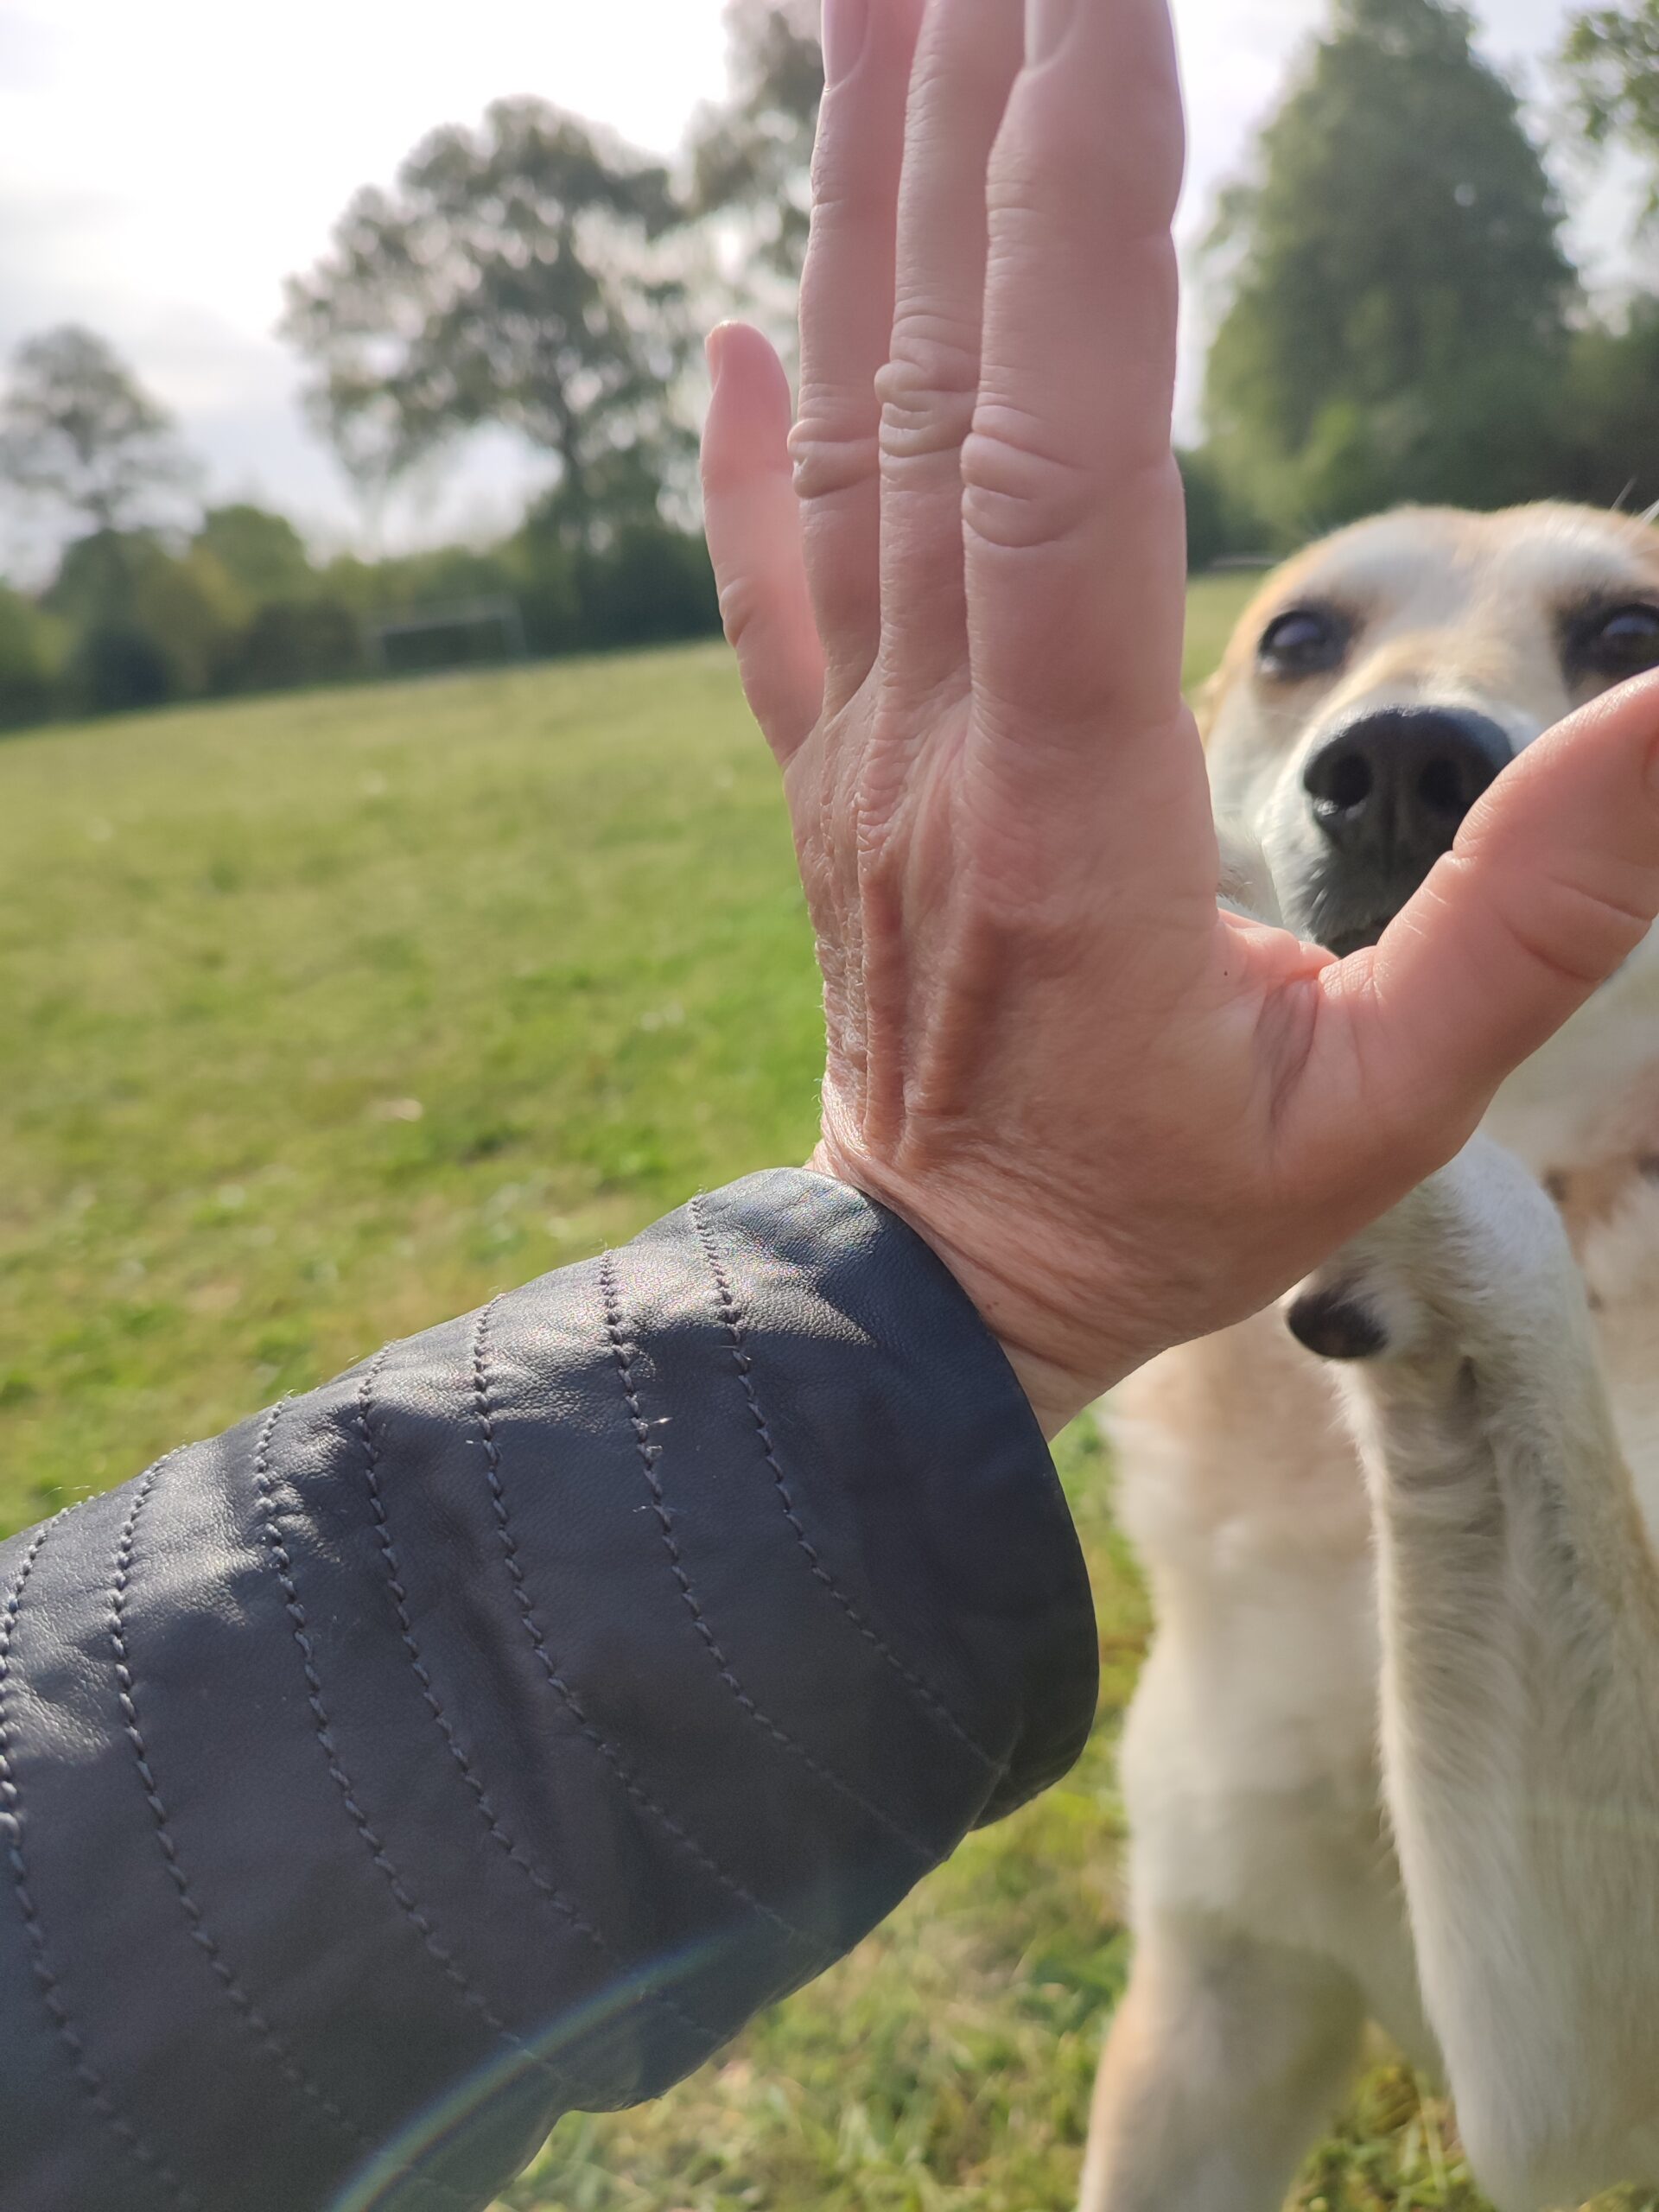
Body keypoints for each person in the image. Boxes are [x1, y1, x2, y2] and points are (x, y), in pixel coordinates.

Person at [5, 0, 1659, 2204]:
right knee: (1231, 1972)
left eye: (1611, 644)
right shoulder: (1216, 1370)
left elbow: (1585, 2130)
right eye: (1305, 651)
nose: (1424, 725)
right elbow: (1253, 2022)